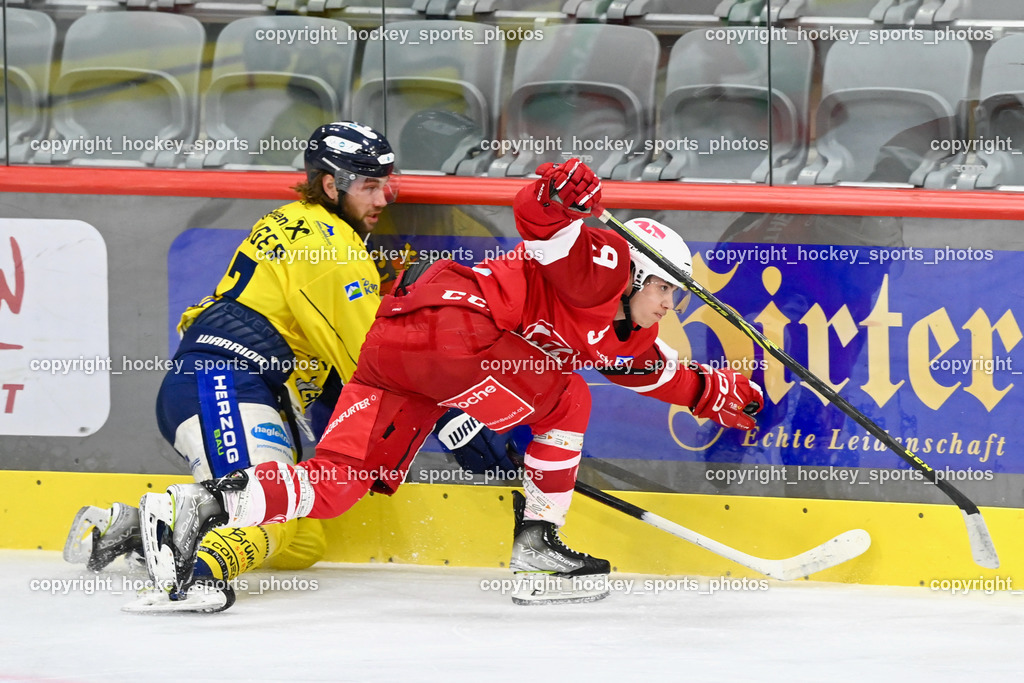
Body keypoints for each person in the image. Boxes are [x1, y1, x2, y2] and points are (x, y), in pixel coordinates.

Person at [138, 158, 765, 605]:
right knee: (568, 396)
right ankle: (539, 543)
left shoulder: (620, 331)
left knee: (341, 481)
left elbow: (651, 371)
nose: (670, 306)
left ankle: (206, 505)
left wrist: (714, 394)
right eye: (666, 289)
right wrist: (555, 190)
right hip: (455, 332)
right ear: (638, 274)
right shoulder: (602, 267)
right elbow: (538, 220)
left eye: (679, 296)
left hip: (395, 348)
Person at [64, 121, 515, 610]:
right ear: (330, 184)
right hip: (224, 383)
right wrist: (459, 423)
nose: (384, 198)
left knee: (302, 544)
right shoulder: (335, 253)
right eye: (369, 186)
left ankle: (128, 530)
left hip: (231, 384)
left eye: (387, 183)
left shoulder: (294, 219)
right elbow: (377, 362)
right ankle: (193, 573)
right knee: (268, 520)